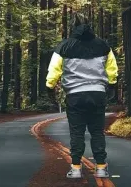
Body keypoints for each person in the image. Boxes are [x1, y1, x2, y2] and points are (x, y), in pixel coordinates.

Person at [46, 13, 118, 179]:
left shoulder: (64, 46)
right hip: (97, 94)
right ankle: (101, 167)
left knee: (76, 133)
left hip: (75, 96)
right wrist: (112, 85)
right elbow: (112, 69)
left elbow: (54, 70)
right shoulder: (103, 46)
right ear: (90, 26)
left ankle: (76, 168)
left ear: (73, 26)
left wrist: (50, 87)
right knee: (97, 132)